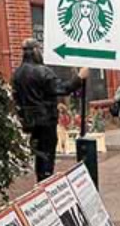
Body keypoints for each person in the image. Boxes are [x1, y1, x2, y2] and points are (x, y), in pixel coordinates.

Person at [12, 38, 89, 181]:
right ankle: (46, 181)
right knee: (47, 153)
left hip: (29, 120)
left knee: (39, 154)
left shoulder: (18, 73)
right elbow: (62, 88)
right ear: (35, 51)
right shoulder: (42, 71)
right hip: (45, 119)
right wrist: (79, 78)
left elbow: (16, 97)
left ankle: (41, 179)